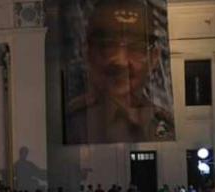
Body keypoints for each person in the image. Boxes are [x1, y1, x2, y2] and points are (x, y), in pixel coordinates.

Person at [64, 0, 173, 144]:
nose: (121, 61)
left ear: (153, 58)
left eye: (136, 47)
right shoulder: (71, 123)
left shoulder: (163, 123)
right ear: (87, 52)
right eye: (107, 45)